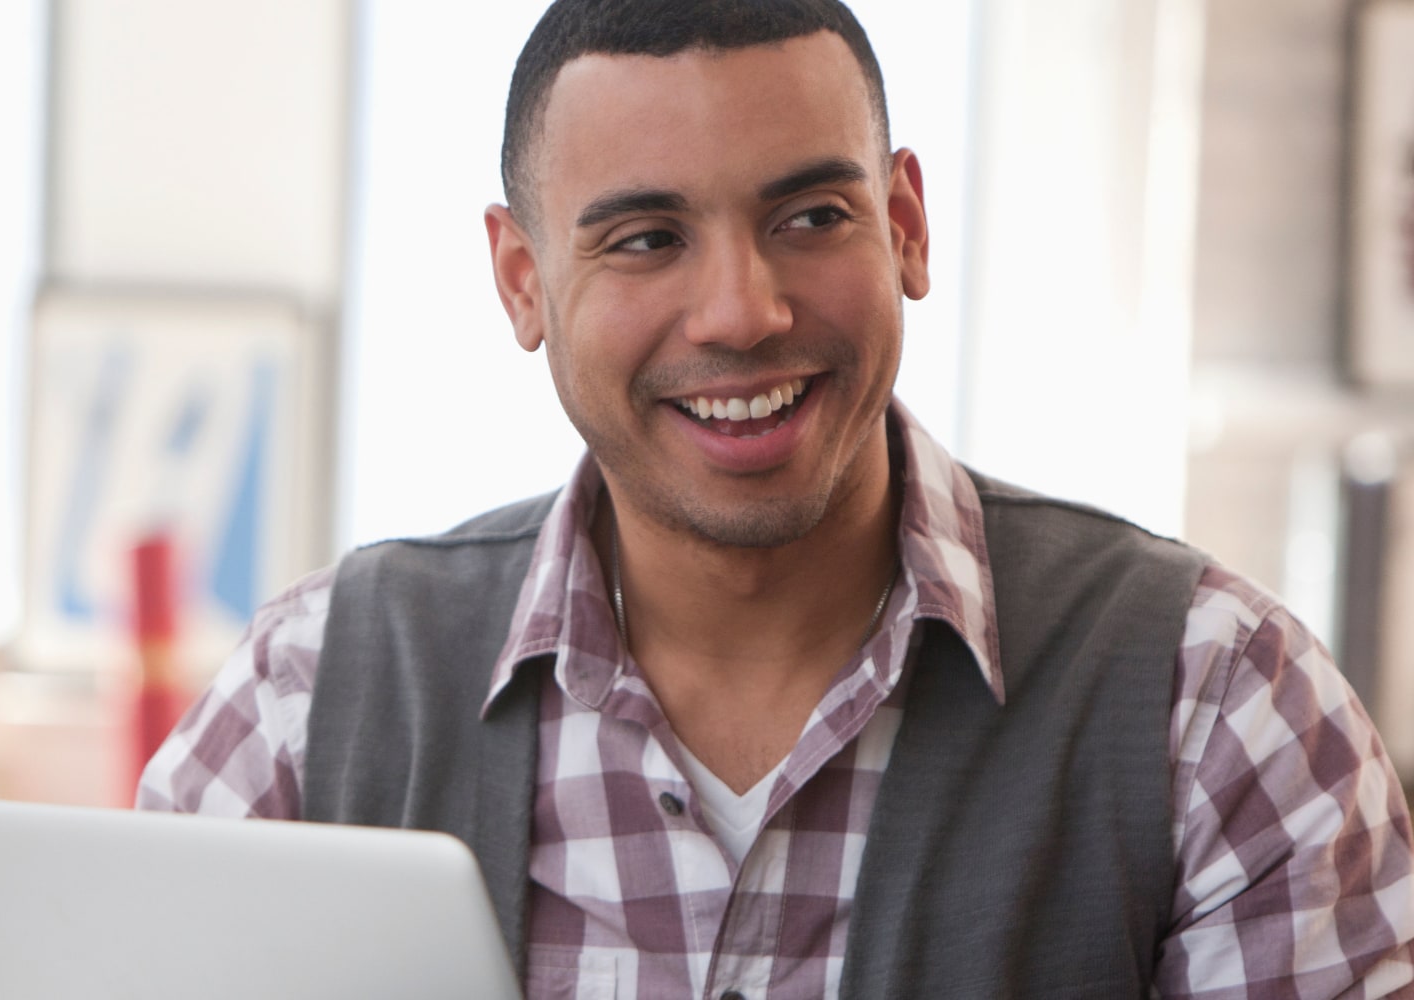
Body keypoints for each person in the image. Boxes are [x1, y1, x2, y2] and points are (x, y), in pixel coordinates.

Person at [139, 1, 1414, 996]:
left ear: (905, 224)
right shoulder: (308, 705)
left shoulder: (1218, 705)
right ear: (521, 280)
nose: (743, 311)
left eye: (808, 215)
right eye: (644, 239)